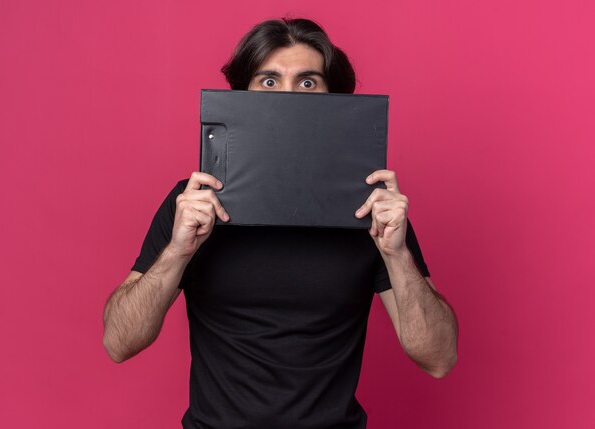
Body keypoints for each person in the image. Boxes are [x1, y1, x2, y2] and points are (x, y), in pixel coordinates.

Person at [102, 18, 458, 429]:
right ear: (242, 96)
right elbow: (118, 343)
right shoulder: (193, 201)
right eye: (268, 82)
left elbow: (439, 358)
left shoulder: (373, 209)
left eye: (308, 83)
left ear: (333, 99)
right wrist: (178, 252)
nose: (287, 98)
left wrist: (396, 255)